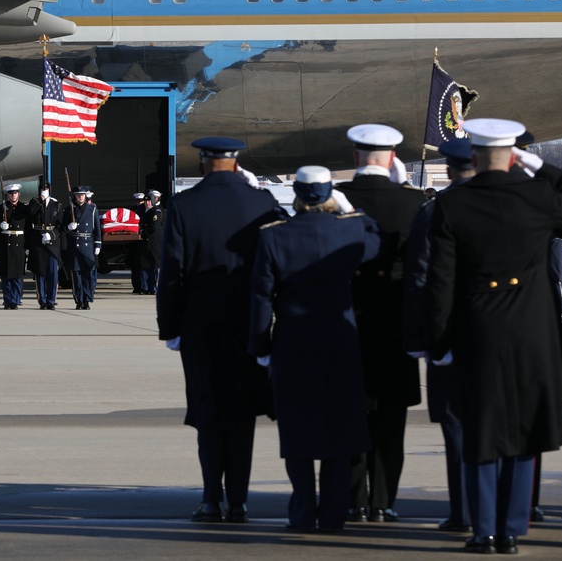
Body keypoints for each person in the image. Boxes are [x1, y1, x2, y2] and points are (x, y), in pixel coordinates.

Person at [426, 118, 562, 554]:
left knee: (481, 428)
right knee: (524, 431)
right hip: (531, 329)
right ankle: (511, 529)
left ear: (473, 158)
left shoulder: (453, 205)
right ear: (513, 155)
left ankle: (483, 529)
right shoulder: (539, 197)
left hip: (478, 326)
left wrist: (439, 342)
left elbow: (440, 282)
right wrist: (543, 169)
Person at [157, 137, 285, 524]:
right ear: (236, 162)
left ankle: (212, 498)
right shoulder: (263, 203)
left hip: (201, 323)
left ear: (202, 164)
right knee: (242, 412)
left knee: (209, 409)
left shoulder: (184, 205)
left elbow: (172, 274)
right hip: (250, 322)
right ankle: (241, 500)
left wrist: (170, 327)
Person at [250, 165, 380, 533]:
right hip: (340, 342)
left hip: (293, 342)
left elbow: (261, 297)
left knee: (298, 431)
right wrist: (349, 208)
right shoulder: (350, 228)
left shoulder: (274, 236)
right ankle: (335, 513)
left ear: (298, 194)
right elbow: (375, 239)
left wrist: (260, 344)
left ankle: (303, 512)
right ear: (327, 194)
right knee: (339, 431)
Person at [336, 123, 425, 523]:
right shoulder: (415, 201)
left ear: (355, 157)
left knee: (348, 419)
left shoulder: (339, 200)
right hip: (395, 325)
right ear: (392, 159)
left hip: (346, 324)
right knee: (391, 423)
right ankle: (384, 501)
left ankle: (353, 499)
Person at [402, 137, 477, 533]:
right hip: (506, 334)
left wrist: (420, 337)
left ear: (449, 170)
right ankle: (512, 511)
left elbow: (420, 278)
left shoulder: (435, 211)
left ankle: (464, 512)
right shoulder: (513, 204)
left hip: (449, 333)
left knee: (457, 424)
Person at [0, 183, 30, 309]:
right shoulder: (0, 208)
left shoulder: (24, 208)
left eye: (15, 193)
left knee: (17, 276)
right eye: (11, 193)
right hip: (4, 245)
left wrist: (28, 246)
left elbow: (28, 227)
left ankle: (15, 300)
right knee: (5, 276)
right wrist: (0, 226)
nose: (13, 195)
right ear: (7, 195)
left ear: (19, 194)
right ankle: (7, 300)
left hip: (19, 245)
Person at [62, 185, 102, 310]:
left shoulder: (92, 209)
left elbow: (97, 228)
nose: (80, 197)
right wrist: (69, 227)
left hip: (88, 245)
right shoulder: (69, 209)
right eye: (78, 195)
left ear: (85, 196)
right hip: (75, 245)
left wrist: (98, 244)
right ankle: (79, 300)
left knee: (88, 274)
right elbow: (63, 227)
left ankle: (87, 299)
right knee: (76, 275)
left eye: (82, 195)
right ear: (75, 196)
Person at [28, 182, 61, 310]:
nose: (44, 191)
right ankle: (42, 300)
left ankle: (51, 300)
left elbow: (59, 225)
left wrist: (52, 235)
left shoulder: (56, 205)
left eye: (46, 189)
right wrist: (40, 202)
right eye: (42, 189)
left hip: (52, 243)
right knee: (40, 272)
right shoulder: (34, 202)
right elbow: (31, 215)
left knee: (53, 273)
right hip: (38, 241)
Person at [138, 189, 164, 295]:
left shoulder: (156, 211)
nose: (147, 203)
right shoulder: (145, 211)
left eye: (149, 201)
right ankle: (145, 287)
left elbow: (154, 227)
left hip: (154, 243)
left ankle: (153, 287)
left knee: (153, 266)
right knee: (145, 265)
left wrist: (143, 231)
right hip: (145, 243)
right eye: (145, 201)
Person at [129, 191, 148, 294]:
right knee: (134, 266)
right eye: (138, 201)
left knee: (142, 266)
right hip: (134, 242)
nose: (139, 203)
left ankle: (142, 286)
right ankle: (137, 286)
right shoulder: (133, 210)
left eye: (141, 201)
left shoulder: (146, 211)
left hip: (142, 241)